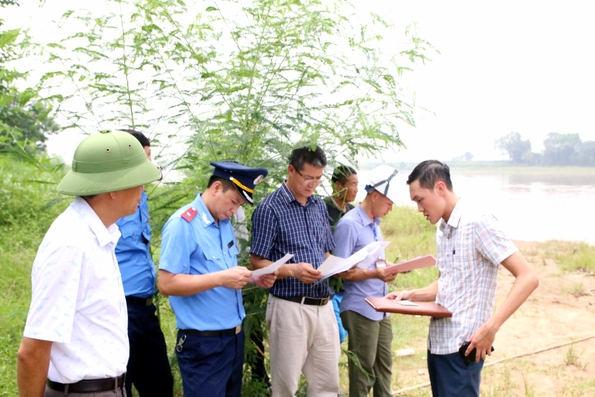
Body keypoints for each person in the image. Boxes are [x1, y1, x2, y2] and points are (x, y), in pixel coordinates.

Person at [17, 130, 162, 397]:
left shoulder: (100, 235)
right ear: (113, 188)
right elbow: (33, 350)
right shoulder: (72, 245)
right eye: (139, 181)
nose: (143, 190)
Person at [386, 160, 539, 397]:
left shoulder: (478, 221)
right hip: (438, 345)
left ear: (440, 188)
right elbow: (449, 283)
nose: (419, 209)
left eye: (419, 200)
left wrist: (491, 327)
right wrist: (410, 295)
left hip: (463, 348)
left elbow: (528, 276)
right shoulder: (443, 229)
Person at [158, 161, 276, 397]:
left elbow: (223, 271)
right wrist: (221, 278)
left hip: (232, 339)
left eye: (239, 205)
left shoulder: (223, 223)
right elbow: (166, 283)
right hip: (203, 344)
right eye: (233, 202)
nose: (234, 210)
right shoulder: (183, 224)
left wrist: (253, 278)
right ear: (216, 188)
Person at [250, 144, 340, 397]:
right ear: (291, 170)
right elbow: (257, 263)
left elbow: (325, 252)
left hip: (323, 305)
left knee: (327, 384)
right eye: (308, 177)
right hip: (290, 307)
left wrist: (337, 265)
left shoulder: (319, 206)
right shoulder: (270, 209)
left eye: (318, 179)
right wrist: (293, 271)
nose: (313, 184)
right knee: (285, 386)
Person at [115, 129, 173, 397]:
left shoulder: (141, 198)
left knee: (159, 384)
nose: (151, 164)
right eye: (145, 157)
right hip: (120, 309)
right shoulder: (109, 202)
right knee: (120, 386)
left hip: (145, 309)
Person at [334, 165, 400, 397]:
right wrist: (375, 274)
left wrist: (389, 268)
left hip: (382, 306)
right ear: (375, 196)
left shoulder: (375, 224)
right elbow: (340, 271)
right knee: (363, 371)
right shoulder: (350, 224)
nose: (391, 208)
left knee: (384, 367)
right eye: (389, 203)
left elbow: (371, 263)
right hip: (361, 306)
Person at [324, 165, 359, 344]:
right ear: (339, 186)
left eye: (357, 184)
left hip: (349, 284)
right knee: (336, 334)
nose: (356, 189)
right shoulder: (324, 208)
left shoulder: (352, 211)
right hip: (331, 283)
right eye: (352, 184)